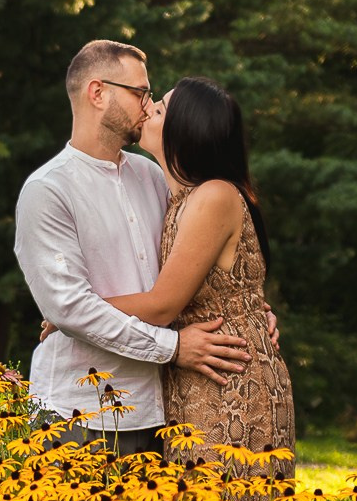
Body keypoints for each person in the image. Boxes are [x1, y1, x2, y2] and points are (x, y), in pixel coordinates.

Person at [12, 40, 266, 457]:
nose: (148, 106)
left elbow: (203, 260)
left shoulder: (153, 176)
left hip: (161, 410)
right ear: (98, 93)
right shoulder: (48, 190)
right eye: (140, 93)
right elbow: (70, 307)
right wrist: (174, 348)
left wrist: (250, 309)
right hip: (78, 413)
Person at [82, 76, 296, 479]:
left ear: (185, 130)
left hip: (232, 381)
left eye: (159, 107)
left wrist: (71, 313)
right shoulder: (178, 197)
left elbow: (163, 305)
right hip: (196, 374)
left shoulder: (214, 195)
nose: (146, 108)